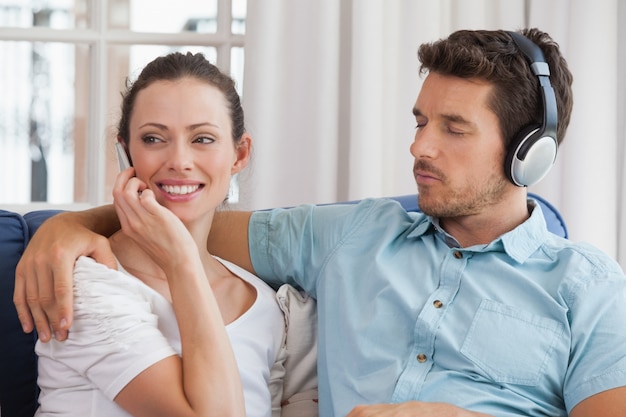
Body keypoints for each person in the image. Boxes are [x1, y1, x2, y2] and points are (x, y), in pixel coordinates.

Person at [15, 28, 626, 416]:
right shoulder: (350, 235)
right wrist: (64, 228)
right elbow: (183, 213)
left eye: (453, 129)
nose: (418, 148)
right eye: (420, 122)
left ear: (530, 150)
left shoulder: (589, 285)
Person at [30, 51, 286, 417]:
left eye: (203, 139)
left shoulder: (263, 303)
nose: (179, 161)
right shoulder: (87, 283)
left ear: (239, 153)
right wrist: (182, 260)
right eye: (153, 138)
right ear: (125, 152)